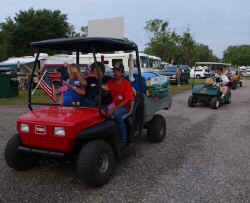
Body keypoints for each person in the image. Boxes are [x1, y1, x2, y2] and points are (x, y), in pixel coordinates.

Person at [102, 63, 134, 147]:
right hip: (113, 105)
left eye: (117, 71)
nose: (115, 73)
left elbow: (126, 100)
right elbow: (104, 87)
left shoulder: (126, 84)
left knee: (116, 114)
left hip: (124, 106)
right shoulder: (111, 82)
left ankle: (123, 140)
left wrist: (113, 109)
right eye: (114, 71)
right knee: (102, 111)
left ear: (122, 73)